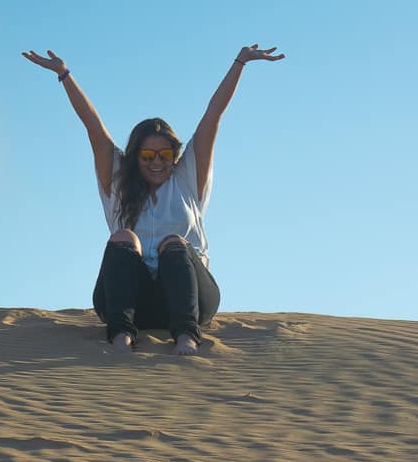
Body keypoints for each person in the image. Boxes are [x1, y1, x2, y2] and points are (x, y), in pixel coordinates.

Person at [22, 44, 284, 355]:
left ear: (175, 156)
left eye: (165, 155)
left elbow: (212, 116)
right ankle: (120, 337)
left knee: (174, 243)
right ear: (135, 157)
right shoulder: (118, 183)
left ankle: (187, 337)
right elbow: (93, 127)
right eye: (147, 155)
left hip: (190, 298)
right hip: (129, 300)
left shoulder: (187, 179)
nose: (156, 162)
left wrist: (240, 62)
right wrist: (65, 74)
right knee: (123, 237)